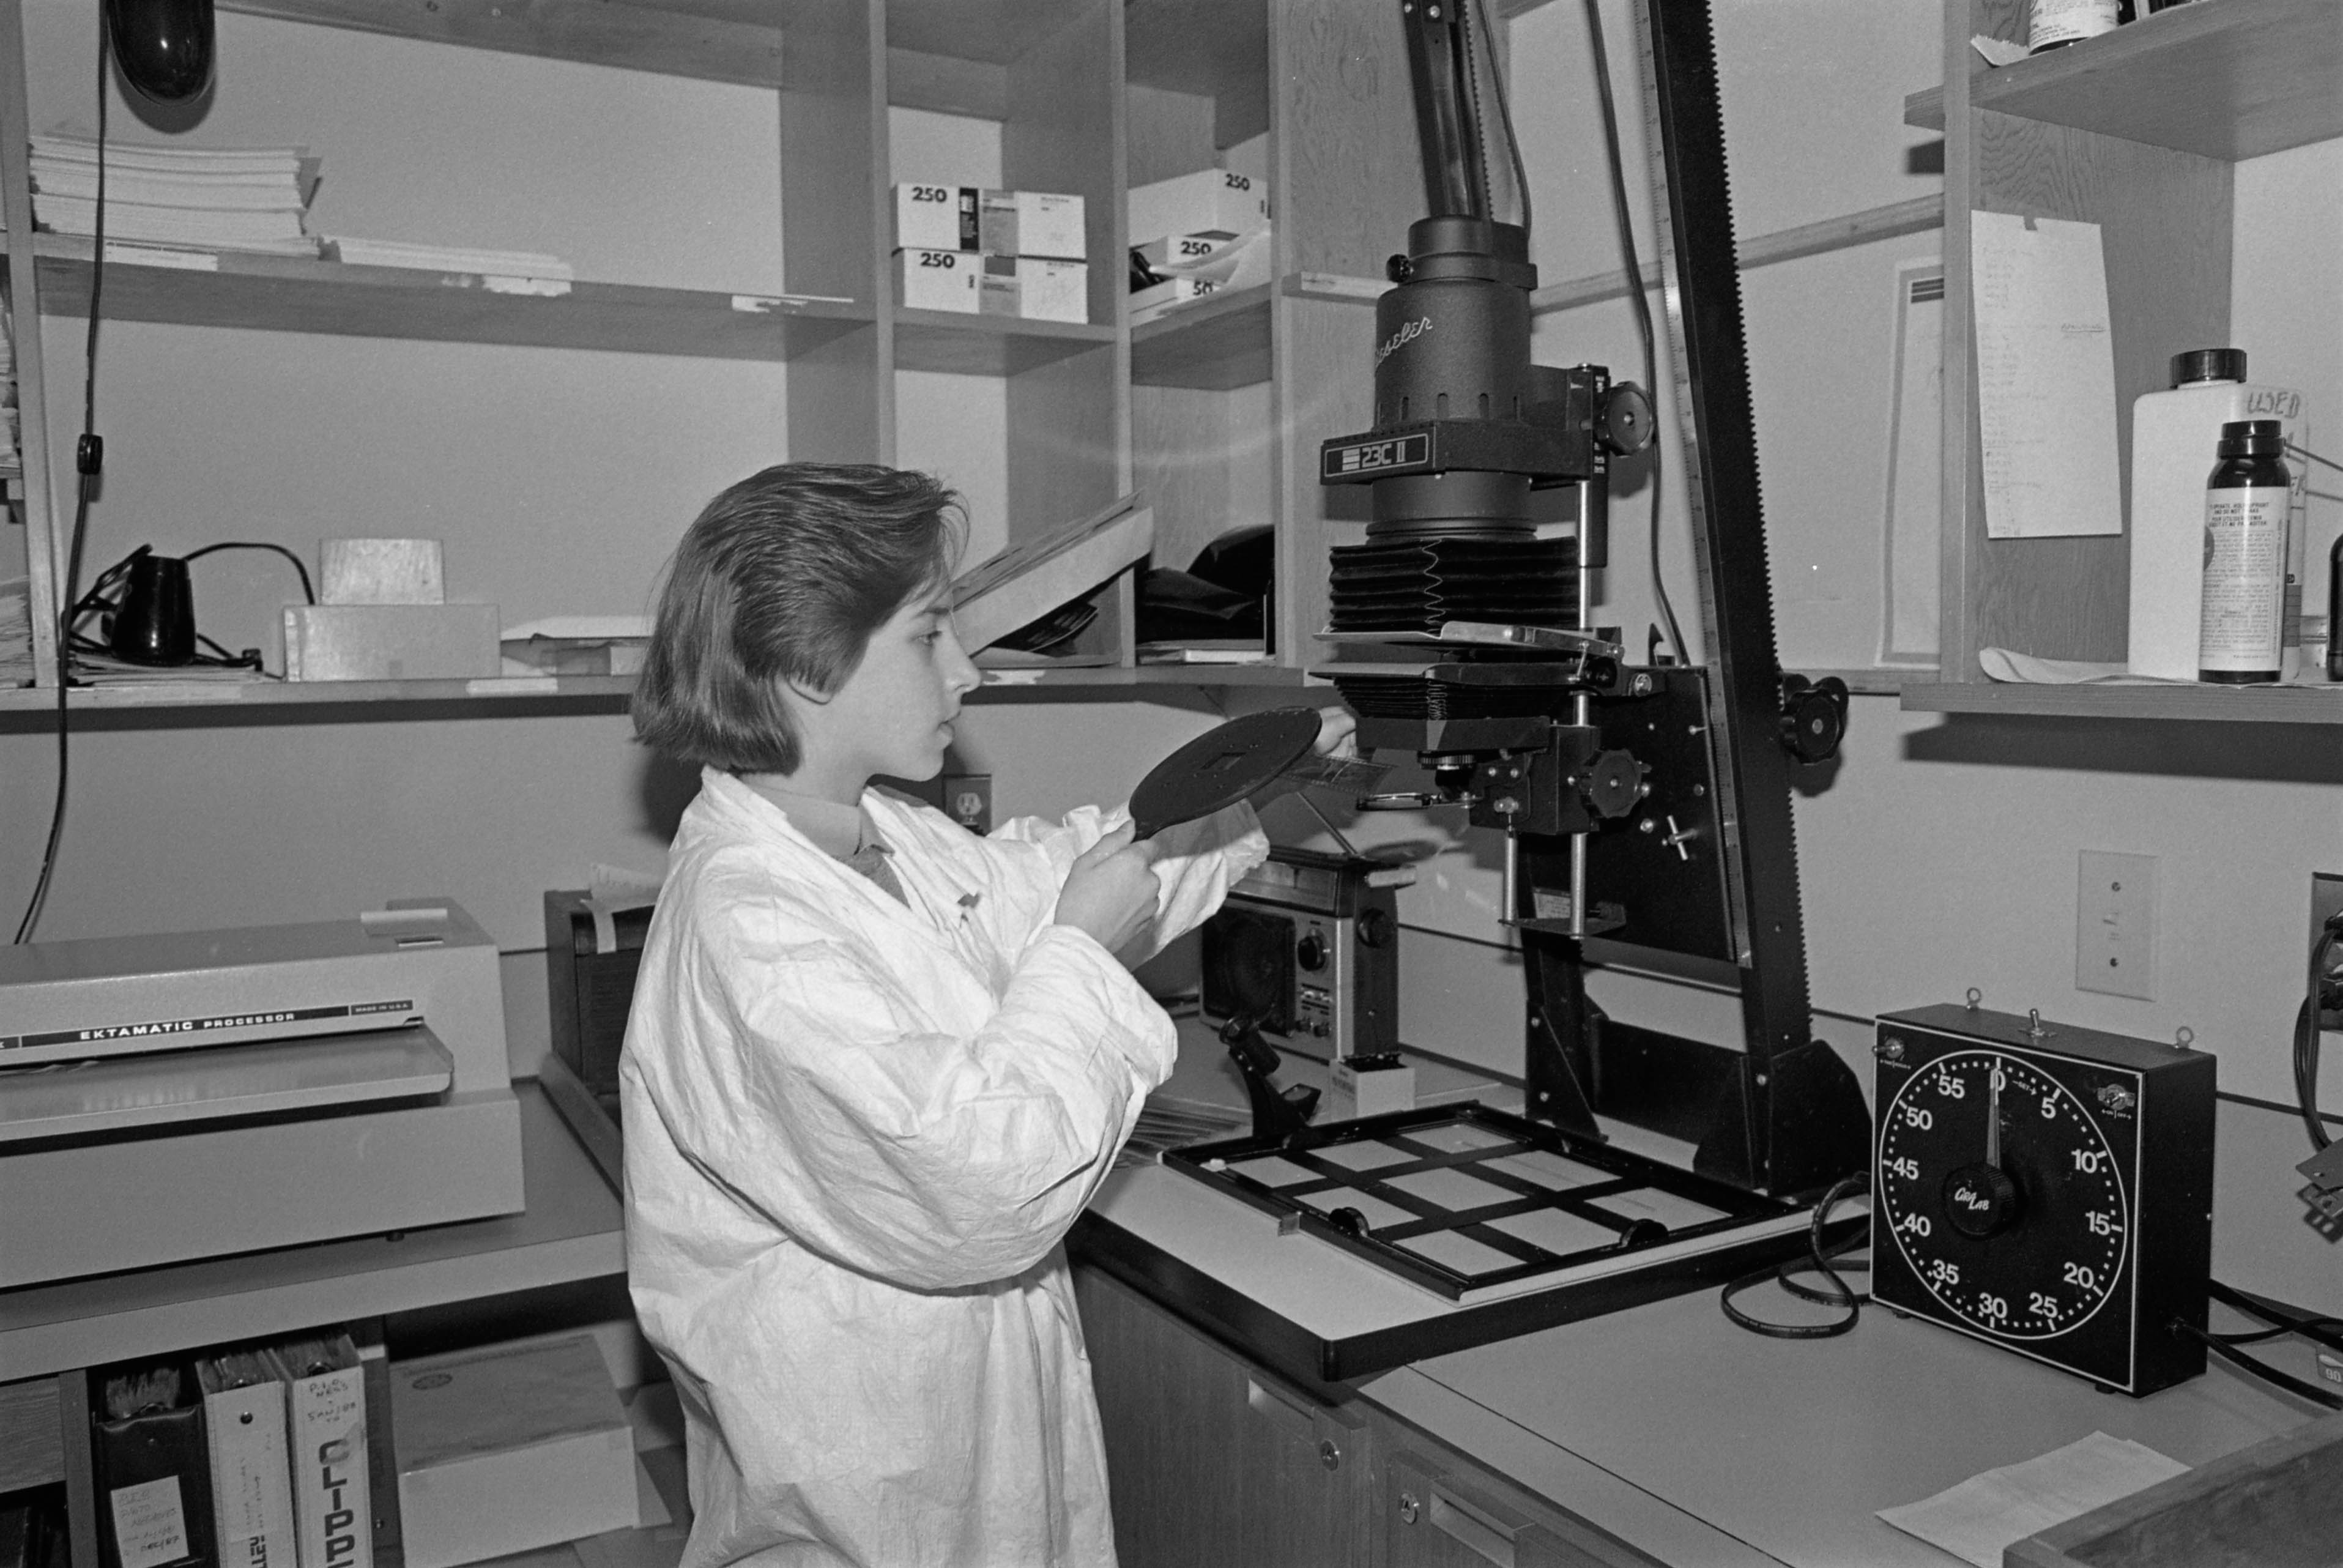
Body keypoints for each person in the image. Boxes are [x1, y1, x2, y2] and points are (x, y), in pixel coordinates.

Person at [620, 462, 1352, 1568]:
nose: (966, 670)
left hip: (958, 1453)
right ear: (807, 664)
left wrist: (1257, 788)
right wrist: (1080, 952)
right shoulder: (751, 932)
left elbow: (1045, 880)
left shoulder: (874, 833)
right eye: (929, 635)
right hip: (864, 1503)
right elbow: (980, 1186)